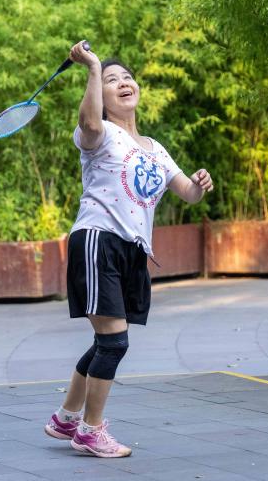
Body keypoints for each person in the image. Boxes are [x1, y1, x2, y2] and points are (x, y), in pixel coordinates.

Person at [43, 40, 214, 458]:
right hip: (98, 240)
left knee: (106, 340)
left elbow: (188, 194)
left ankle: (66, 418)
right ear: (99, 95)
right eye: (111, 79)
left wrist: (200, 184)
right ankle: (90, 431)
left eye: (126, 77)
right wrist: (92, 68)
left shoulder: (155, 148)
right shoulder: (99, 134)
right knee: (114, 343)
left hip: (133, 251)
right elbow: (88, 122)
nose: (122, 82)